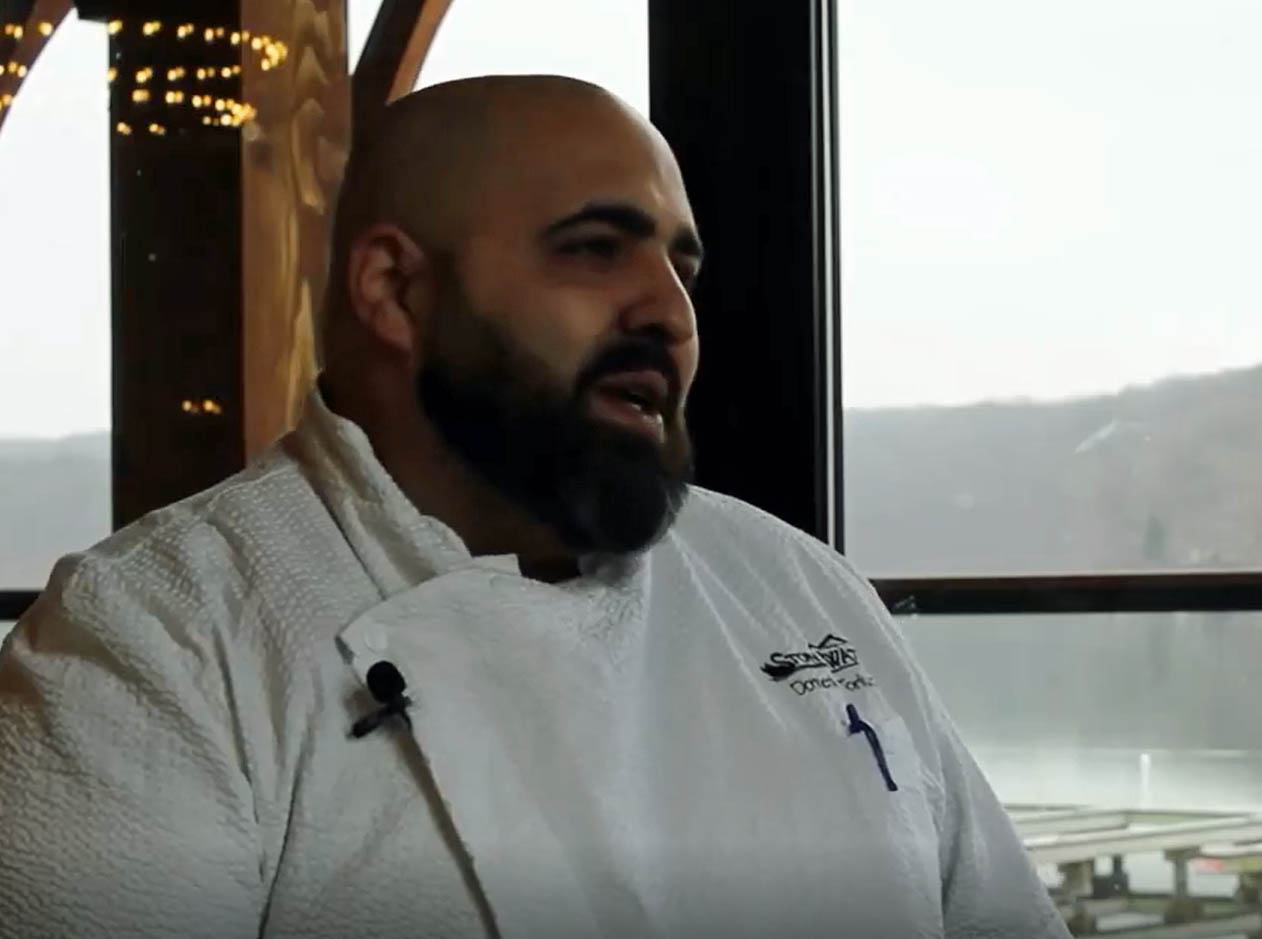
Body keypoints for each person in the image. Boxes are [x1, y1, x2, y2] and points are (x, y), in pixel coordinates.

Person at [0, 76, 1069, 938]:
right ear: (395, 291)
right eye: (595, 250)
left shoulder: (796, 587)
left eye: (677, 261)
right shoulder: (157, 641)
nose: (669, 310)